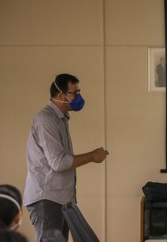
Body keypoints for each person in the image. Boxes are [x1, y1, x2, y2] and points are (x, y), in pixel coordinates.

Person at [23, 74, 109, 242]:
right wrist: (92, 156)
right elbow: (59, 163)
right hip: (46, 199)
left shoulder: (60, 119)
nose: (79, 97)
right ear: (61, 95)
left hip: (59, 199)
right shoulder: (46, 120)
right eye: (75, 93)